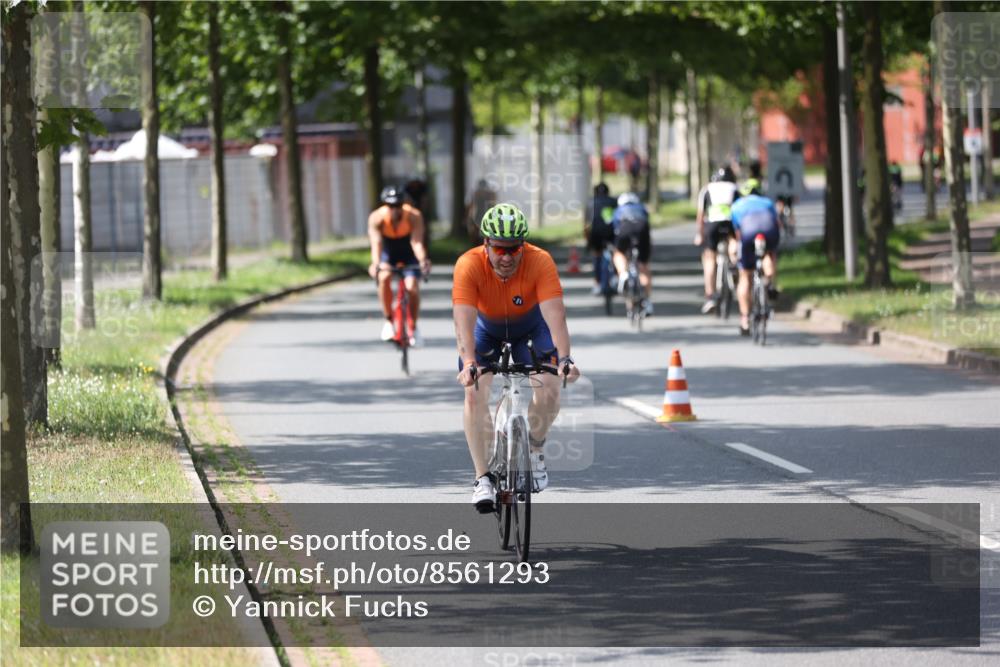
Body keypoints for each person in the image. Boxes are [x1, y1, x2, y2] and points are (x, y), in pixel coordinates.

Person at [453, 203, 580, 512]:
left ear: (524, 245)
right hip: (486, 330)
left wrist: (565, 359)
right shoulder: (468, 264)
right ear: (486, 244)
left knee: (550, 388)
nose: (507, 257)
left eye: (514, 249)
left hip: (530, 328)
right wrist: (469, 363)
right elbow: (463, 322)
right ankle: (482, 478)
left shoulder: (540, 261)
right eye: (500, 249)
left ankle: (534, 448)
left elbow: (555, 317)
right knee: (474, 393)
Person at [368, 185, 431, 346]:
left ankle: (414, 327)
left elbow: (417, 242)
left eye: (398, 205)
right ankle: (389, 321)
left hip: (408, 253)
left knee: (412, 287)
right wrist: (375, 264)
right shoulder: (376, 218)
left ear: (403, 204)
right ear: (385, 205)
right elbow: (376, 244)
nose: (394, 209)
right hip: (388, 253)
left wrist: (423, 260)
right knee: (384, 277)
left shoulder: (414, 216)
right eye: (390, 206)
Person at [730, 192, 781, 336]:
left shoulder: (736, 206)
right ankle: (769, 282)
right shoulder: (767, 202)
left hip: (748, 232)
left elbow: (737, 234)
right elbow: (777, 223)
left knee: (745, 275)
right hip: (769, 230)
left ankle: (745, 319)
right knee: (769, 253)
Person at [694, 167, 740, 314]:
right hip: (731, 222)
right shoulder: (735, 188)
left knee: (709, 259)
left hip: (712, 225)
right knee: (733, 242)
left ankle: (710, 297)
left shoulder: (707, 189)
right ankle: (734, 262)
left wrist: (699, 234)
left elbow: (700, 216)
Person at [611, 192, 653, 315]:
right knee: (643, 267)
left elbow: (614, 230)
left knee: (618, 253)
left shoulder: (618, 211)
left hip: (624, 229)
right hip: (642, 229)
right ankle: (647, 301)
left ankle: (623, 274)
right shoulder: (642, 208)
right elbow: (647, 227)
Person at [585, 182, 618, 295]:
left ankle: (597, 283)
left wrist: (588, 241)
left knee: (597, 256)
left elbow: (586, 225)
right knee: (615, 254)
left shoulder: (590, 203)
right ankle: (615, 277)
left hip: (595, 234)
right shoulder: (613, 202)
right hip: (611, 234)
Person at [466, 178, 498, 244]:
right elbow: (494, 204)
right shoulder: (491, 193)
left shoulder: (476, 193)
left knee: (476, 231)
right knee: (487, 231)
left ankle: (476, 245)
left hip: (479, 214)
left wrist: (468, 215)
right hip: (487, 214)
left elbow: (471, 205)